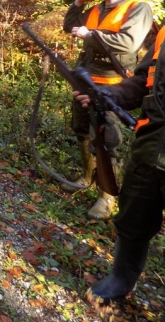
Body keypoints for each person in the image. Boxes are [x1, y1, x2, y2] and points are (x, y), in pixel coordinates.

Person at [72, 23, 165, 303]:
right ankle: (122, 280)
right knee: (133, 217)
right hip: (151, 144)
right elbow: (143, 82)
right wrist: (109, 95)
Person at [62, 0, 152, 220]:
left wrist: (90, 35)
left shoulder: (138, 9)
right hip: (85, 80)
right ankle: (87, 177)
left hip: (113, 87)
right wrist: (79, 2)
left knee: (106, 139)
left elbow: (128, 43)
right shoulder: (95, 8)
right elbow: (69, 26)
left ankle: (107, 196)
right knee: (80, 128)